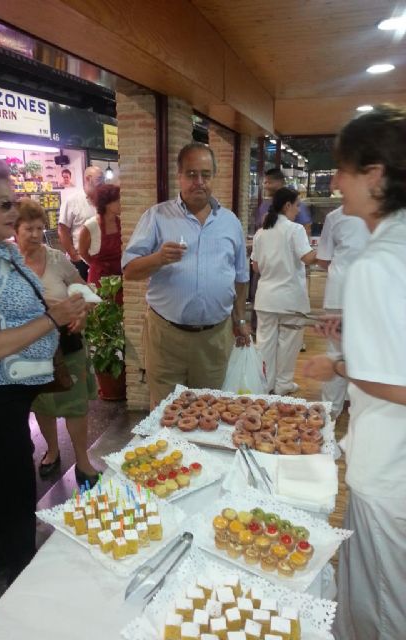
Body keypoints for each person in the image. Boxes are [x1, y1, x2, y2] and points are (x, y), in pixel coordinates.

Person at [0, 157, 86, 586]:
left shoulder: (2, 249)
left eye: (14, 203)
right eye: (4, 204)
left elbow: (21, 310)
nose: (13, 213)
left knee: (17, 491)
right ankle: (17, 589)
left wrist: (61, 311)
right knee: (7, 499)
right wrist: (52, 319)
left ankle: (23, 571)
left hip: (16, 397)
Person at [302, 104, 406, 640]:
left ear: (377, 176)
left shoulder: (378, 260)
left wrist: (343, 364)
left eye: (345, 170)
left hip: (390, 471)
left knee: (380, 609)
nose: (336, 182)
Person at [122, 142, 250, 407]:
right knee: (165, 414)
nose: (199, 181)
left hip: (214, 338)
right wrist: (158, 258)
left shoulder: (230, 222)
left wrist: (240, 320)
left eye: (205, 174)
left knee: (209, 412)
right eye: (191, 174)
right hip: (166, 337)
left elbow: (240, 278)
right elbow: (129, 270)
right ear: (179, 176)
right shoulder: (157, 217)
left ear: (214, 176)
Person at [15, 198, 99, 487]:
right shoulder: (9, 263)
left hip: (66, 342)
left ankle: (83, 460)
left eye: (41, 228)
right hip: (30, 346)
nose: (37, 234)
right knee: (42, 404)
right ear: (15, 229)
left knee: (75, 405)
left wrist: (83, 314)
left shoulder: (57, 258)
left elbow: (82, 290)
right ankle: (51, 451)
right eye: (29, 228)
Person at [251, 187, 316, 395]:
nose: (298, 210)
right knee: (288, 345)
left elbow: (255, 266)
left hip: (266, 298)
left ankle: (265, 385)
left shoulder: (261, 232)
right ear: (287, 205)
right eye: (297, 205)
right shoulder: (295, 230)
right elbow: (307, 258)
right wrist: (327, 250)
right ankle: (283, 384)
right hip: (290, 300)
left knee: (264, 345)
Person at [316, 205, 369, 418]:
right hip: (367, 295)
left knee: (336, 352)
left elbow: (323, 259)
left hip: (339, 292)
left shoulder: (334, 217)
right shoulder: (389, 214)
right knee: (363, 354)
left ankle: (329, 414)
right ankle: (353, 407)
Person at [58, 165, 104, 280]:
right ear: (88, 179)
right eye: (99, 179)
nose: (103, 182)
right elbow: (62, 230)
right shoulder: (72, 200)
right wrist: (74, 255)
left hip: (100, 260)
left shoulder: (104, 200)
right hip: (80, 261)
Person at [78, 183, 122, 301]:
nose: (121, 203)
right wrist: (96, 265)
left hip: (120, 278)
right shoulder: (90, 226)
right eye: (117, 200)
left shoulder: (123, 224)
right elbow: (82, 252)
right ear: (106, 203)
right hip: (99, 279)